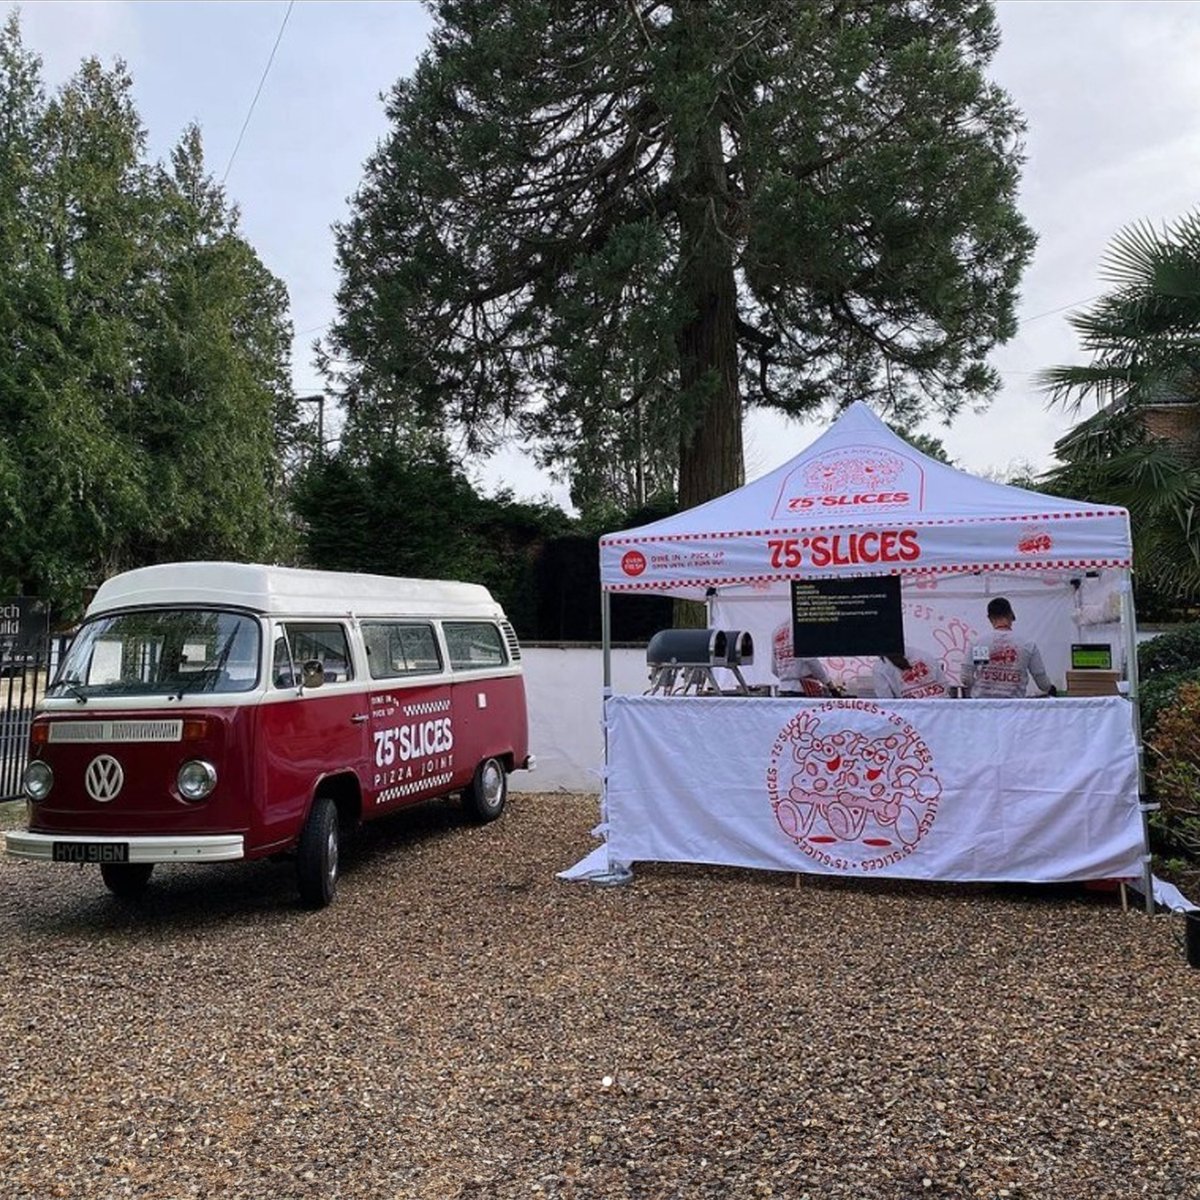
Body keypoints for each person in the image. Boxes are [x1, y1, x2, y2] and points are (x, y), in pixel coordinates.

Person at [961, 597, 1057, 698]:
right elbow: (1041, 681)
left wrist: (981, 685)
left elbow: (966, 678)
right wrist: (1050, 688)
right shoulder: (1027, 644)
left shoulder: (981, 644)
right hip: (1014, 708)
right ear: (1011, 616)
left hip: (983, 707)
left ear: (989, 618)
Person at [771, 619, 838, 696]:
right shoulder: (802, 626)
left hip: (783, 689)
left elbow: (774, 669)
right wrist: (828, 683)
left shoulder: (777, 631)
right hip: (802, 689)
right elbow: (810, 660)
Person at [873, 646, 951, 699]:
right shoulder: (922, 654)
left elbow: (887, 701)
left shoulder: (879, 667)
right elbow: (944, 684)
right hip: (942, 710)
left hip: (913, 716)